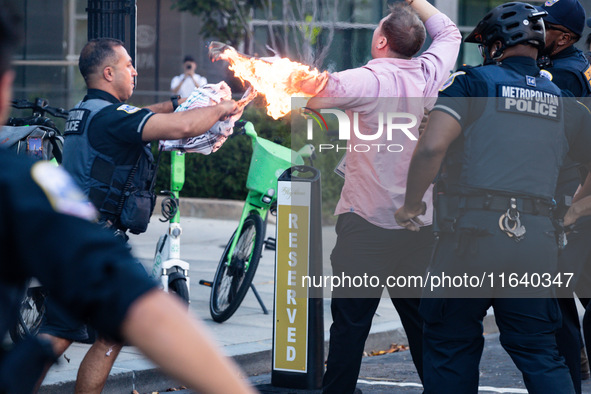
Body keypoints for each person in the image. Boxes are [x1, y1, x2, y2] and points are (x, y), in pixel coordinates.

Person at [0, 2, 255, 394]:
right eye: (128, 65)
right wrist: (223, 107)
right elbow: (185, 126)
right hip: (85, 242)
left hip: (81, 237)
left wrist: (173, 103)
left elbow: (136, 117)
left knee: (103, 335)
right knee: (59, 333)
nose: (135, 71)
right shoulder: (110, 117)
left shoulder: (85, 112)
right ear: (108, 72)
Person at [395, 2, 591, 393]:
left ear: (498, 45)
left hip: (470, 238)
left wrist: (411, 205)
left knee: (451, 347)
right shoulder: (563, 99)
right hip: (534, 241)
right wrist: (574, 211)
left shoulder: (471, 83)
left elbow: (432, 148)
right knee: (540, 352)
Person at [297, 1, 461, 392]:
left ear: (382, 40)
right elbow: (450, 33)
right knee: (423, 327)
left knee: (351, 328)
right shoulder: (431, 71)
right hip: (418, 227)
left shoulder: (368, 79)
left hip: (365, 226)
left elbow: (315, 96)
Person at [536, 1, 591, 389]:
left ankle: (572, 371)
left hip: (568, 192)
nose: (536, 30)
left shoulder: (564, 76)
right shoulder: (579, 64)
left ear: (565, 37)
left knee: (559, 293)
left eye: (545, 25)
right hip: (578, 188)